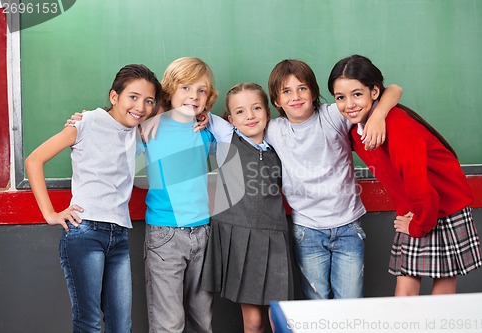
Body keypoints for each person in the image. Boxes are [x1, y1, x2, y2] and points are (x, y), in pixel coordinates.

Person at [327, 54, 482, 296]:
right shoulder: (357, 130)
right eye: (340, 97)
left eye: (357, 94)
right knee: (406, 288)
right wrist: (378, 115)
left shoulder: (398, 126)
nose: (349, 104)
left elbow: (419, 183)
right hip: (415, 206)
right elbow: (394, 89)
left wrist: (418, 226)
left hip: (443, 203)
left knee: (442, 282)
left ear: (375, 92)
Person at [25, 64, 161, 333]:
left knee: (121, 326)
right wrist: (51, 214)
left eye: (148, 101)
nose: (140, 106)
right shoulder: (87, 122)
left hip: (119, 236)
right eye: (133, 97)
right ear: (114, 97)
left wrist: (203, 116)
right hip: (85, 232)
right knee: (89, 324)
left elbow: (175, 108)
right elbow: (34, 160)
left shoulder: (139, 130)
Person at [265, 59, 403, 300]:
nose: (295, 96)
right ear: (276, 100)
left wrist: (379, 114)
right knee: (316, 303)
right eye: (286, 91)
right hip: (307, 231)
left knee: (349, 304)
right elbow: (233, 125)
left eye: (302, 88)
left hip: (347, 227)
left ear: (314, 92)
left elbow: (395, 90)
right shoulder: (274, 130)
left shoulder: (333, 115)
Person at [200, 83, 293, 333]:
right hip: (241, 238)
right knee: (254, 322)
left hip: (275, 238)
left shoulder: (279, 141)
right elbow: (195, 108)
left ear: (267, 112)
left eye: (256, 108)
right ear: (230, 119)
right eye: (240, 112)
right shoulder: (227, 137)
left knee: (280, 320)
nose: (250, 116)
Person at [140, 57, 218, 333]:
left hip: (202, 232)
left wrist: (209, 118)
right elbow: (113, 132)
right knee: (169, 323)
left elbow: (242, 133)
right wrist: (83, 120)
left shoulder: (207, 130)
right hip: (165, 235)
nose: (194, 96)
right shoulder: (148, 129)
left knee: (203, 320)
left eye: (201, 90)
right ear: (170, 90)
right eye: (185, 88)